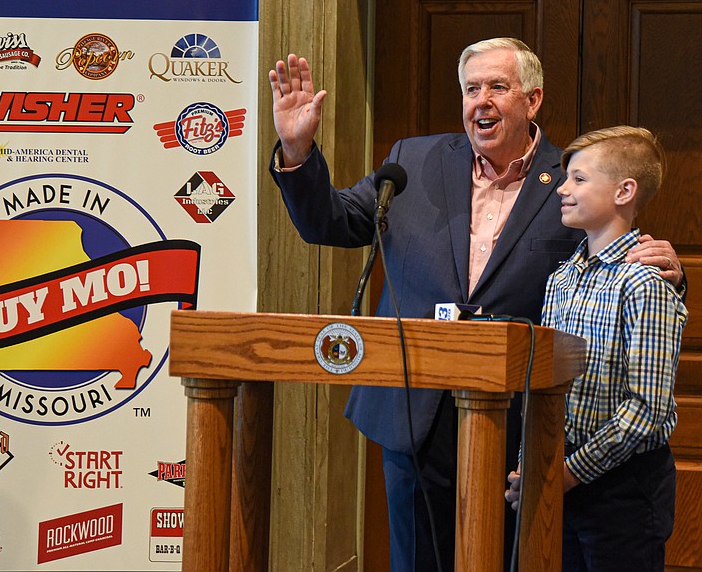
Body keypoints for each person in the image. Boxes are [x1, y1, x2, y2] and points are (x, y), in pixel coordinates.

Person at [268, 37, 684, 571]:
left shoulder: (573, 179)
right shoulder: (412, 161)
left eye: (496, 87)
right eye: (470, 89)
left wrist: (670, 274)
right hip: (415, 408)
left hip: (514, 425)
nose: (479, 101)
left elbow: (617, 269)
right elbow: (333, 221)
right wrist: (298, 153)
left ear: (531, 100)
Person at [506, 126, 688, 571]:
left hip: (622, 490)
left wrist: (566, 474)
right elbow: (543, 385)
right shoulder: (562, 279)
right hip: (559, 474)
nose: (562, 189)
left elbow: (646, 411)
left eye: (579, 179)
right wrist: (532, 466)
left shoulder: (646, 282)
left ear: (625, 191)